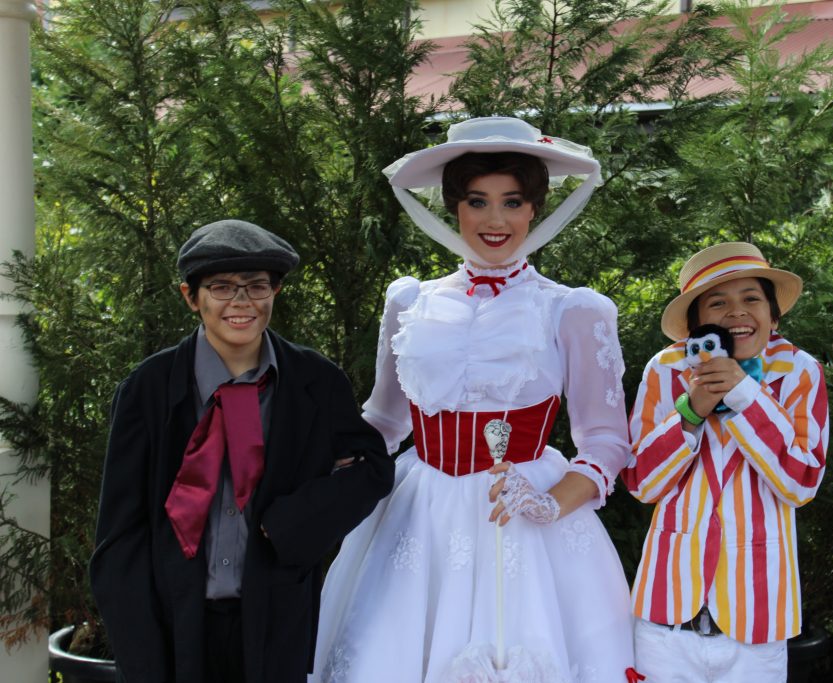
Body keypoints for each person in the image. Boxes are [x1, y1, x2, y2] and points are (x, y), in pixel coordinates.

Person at [310, 117, 635, 682]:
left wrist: (551, 503)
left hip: (528, 518)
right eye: (477, 201)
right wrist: (320, 469)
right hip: (417, 517)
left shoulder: (574, 310)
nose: (495, 220)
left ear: (534, 208)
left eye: (512, 202)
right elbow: (386, 418)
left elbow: (606, 440)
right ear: (454, 206)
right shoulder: (411, 301)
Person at [89, 219, 394, 683]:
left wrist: (293, 521)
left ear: (275, 292)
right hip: (175, 623)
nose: (241, 302)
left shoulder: (315, 381)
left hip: (276, 616)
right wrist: (141, 653)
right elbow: (119, 537)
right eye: (222, 287)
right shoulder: (148, 389)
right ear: (191, 296)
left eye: (257, 287)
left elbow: (372, 467)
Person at [622, 241, 829, 682]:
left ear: (773, 317)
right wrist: (691, 409)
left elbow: (801, 482)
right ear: (695, 324)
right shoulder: (664, 369)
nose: (737, 312)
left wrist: (744, 395)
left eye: (751, 299)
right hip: (665, 622)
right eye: (718, 302)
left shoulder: (800, 371)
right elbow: (641, 482)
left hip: (757, 625)